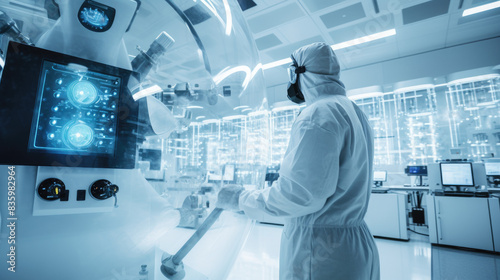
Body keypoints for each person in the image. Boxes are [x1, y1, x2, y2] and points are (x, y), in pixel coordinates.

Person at [217, 42, 380, 279]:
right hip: (354, 245)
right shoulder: (354, 111)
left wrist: (242, 198)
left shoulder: (318, 114)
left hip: (320, 251)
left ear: (299, 73)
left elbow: (301, 195)